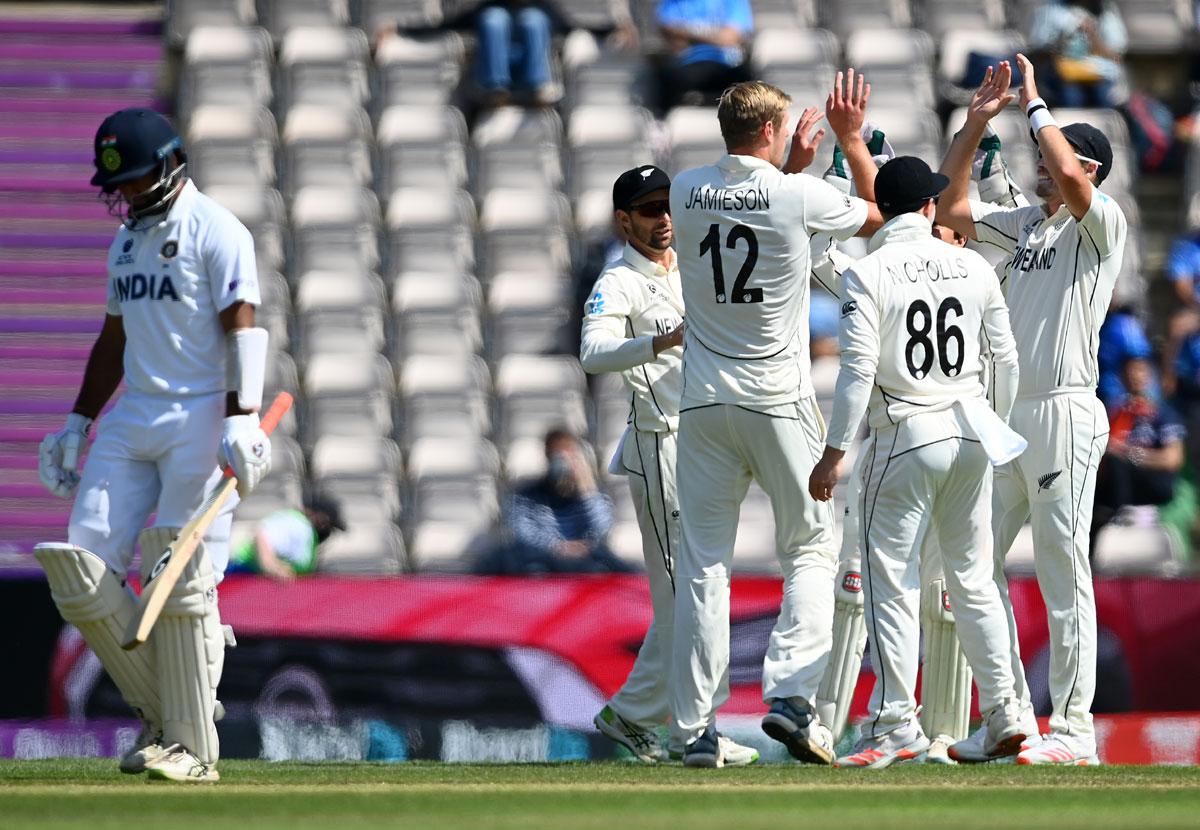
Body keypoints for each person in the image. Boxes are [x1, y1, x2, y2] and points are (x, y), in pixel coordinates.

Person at [34, 108, 270, 782]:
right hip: (135, 411)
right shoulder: (127, 243)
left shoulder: (218, 231)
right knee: (78, 568)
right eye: (120, 186)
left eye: (138, 181)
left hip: (200, 415)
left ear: (171, 165)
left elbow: (242, 328)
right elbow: (114, 339)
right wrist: (79, 421)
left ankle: (193, 751)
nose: (129, 196)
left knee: (180, 572)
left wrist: (241, 416)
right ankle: (173, 719)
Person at [667, 74, 885, 768]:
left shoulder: (683, 188)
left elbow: (749, 206)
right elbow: (879, 216)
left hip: (702, 402)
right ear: (769, 132)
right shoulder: (795, 192)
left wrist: (788, 171)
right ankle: (791, 698)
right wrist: (850, 141)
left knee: (704, 567)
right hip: (777, 397)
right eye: (787, 127)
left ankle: (695, 731)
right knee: (811, 548)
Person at [935, 55, 1128, 765]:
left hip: (1067, 414)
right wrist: (974, 124)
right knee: (970, 566)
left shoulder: (1099, 223)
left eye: (1056, 161)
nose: (1042, 169)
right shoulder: (1023, 224)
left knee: (1060, 568)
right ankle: (1008, 716)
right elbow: (952, 208)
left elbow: (1072, 179)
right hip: (1007, 418)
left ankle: (1075, 730)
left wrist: (1037, 105)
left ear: (1091, 171)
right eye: (1042, 160)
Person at [809, 156, 1028, 768]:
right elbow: (1005, 359)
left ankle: (895, 724)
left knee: (891, 582)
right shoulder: (971, 264)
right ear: (931, 207)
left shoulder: (869, 272)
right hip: (970, 433)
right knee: (974, 579)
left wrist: (833, 454)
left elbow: (854, 372)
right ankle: (1005, 711)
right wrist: (998, 427)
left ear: (884, 209)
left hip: (904, 432)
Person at [579, 165, 757, 766]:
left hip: (711, 439)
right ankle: (694, 730)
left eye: (667, 207)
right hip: (662, 446)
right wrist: (659, 343)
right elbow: (593, 353)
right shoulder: (618, 281)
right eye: (649, 210)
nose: (662, 219)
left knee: (694, 594)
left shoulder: (695, 268)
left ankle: (631, 713)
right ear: (623, 220)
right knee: (690, 592)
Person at [478, 429, 629, 574]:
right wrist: (557, 547)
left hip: (585, 565)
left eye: (570, 455)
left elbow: (602, 528)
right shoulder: (526, 496)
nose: (564, 463)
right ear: (548, 456)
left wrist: (587, 489)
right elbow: (522, 532)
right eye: (558, 456)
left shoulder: (593, 496)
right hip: (544, 565)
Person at [1092, 357, 1186, 543]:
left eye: (1140, 371)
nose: (1134, 376)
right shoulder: (1116, 414)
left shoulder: (1162, 414)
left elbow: (1173, 459)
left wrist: (1131, 455)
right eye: (1129, 372)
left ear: (1150, 376)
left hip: (1154, 482)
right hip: (1116, 483)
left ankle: (1121, 516)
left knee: (1117, 462)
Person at [1028, 0, 1127, 109]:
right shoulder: (1051, 8)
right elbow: (1038, 51)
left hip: (1100, 77)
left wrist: (1093, 35)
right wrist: (1063, 40)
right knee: (1071, 98)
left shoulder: (1106, 10)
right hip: (1062, 77)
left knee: (1103, 97)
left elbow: (1116, 55)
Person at [656, 0, 754, 110]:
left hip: (727, 65)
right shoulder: (673, 2)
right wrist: (716, 36)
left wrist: (687, 33)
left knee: (748, 83)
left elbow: (731, 37)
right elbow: (674, 41)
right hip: (687, 65)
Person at [227, 495, 346, 581]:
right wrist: (271, 565)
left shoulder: (302, 529)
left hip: (251, 579)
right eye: (327, 524)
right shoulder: (299, 525)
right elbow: (262, 533)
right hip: (242, 574)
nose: (328, 531)